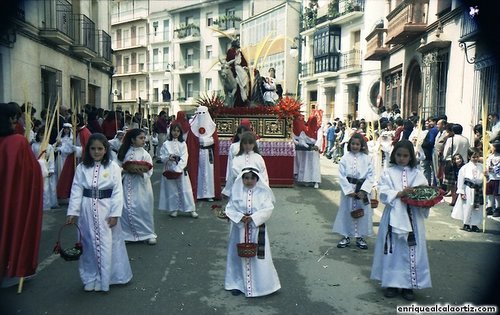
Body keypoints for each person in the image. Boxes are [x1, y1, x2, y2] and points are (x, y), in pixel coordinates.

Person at [66, 133, 132, 292]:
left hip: (106, 210)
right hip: (86, 210)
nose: (96, 152)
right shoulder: (81, 168)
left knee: (107, 243)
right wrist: (73, 211)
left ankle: (107, 277)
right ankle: (90, 276)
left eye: (100, 149)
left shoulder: (113, 167)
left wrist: (115, 213)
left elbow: (117, 191)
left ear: (106, 149)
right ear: (88, 149)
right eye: (93, 148)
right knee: (87, 244)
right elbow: (76, 190)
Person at [371, 140, 431, 301]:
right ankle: (391, 283)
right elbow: (383, 191)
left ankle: (408, 285)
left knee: (411, 250)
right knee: (393, 249)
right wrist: (399, 194)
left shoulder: (417, 174)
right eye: (398, 155)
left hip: (413, 219)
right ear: (393, 155)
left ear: (411, 156)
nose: (401, 158)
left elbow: (424, 192)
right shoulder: (388, 173)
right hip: (393, 218)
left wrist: (421, 196)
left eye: (405, 155)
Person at [0, 102, 43, 287]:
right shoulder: (17, 142)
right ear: (11, 119)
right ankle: (12, 268)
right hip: (10, 200)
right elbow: (30, 173)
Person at [224, 167, 281, 297]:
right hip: (239, 230)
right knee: (238, 257)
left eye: (252, 178)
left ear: (257, 179)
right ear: (242, 179)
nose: (249, 181)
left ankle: (262, 286)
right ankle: (237, 284)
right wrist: (240, 217)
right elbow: (230, 208)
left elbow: (268, 209)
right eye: (246, 178)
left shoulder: (263, 193)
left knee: (258, 258)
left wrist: (254, 218)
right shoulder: (237, 192)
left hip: (256, 229)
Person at [333, 133, 375, 249]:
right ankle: (345, 235)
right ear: (349, 144)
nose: (355, 146)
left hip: (362, 190)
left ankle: (360, 236)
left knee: (362, 213)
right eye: (353, 144)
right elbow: (341, 175)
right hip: (349, 189)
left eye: (357, 144)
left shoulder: (368, 158)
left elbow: (371, 176)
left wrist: (364, 190)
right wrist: (348, 190)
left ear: (362, 145)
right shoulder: (345, 158)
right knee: (346, 211)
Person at [117, 129, 157, 245]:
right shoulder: (124, 152)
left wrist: (139, 171)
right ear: (133, 140)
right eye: (141, 138)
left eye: (144, 138)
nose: (144, 140)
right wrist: (125, 170)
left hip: (141, 185)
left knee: (143, 208)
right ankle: (127, 234)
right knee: (126, 208)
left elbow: (150, 172)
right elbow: (117, 166)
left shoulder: (146, 154)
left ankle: (148, 233)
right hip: (127, 183)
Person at [158, 123, 197, 218]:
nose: (175, 133)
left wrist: (179, 168)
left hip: (180, 169)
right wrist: (168, 157)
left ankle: (191, 209)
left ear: (180, 132)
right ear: (170, 131)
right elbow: (162, 156)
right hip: (169, 170)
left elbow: (185, 157)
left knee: (185, 189)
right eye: (174, 130)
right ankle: (174, 209)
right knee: (172, 189)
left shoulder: (183, 144)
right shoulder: (166, 144)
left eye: (178, 131)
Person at [186, 105, 222, 201]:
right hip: (198, 153)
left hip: (208, 153)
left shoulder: (212, 127)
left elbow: (215, 142)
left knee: (209, 173)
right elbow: (191, 143)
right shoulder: (193, 127)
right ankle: (198, 193)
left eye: (203, 113)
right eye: (199, 113)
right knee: (198, 172)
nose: (201, 116)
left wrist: (209, 142)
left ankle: (209, 194)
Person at [57, 114, 92, 200]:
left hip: (80, 159)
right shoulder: (79, 132)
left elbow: (86, 148)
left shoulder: (84, 132)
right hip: (74, 157)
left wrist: (77, 149)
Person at [451, 148, 484, 232]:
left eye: (477, 156)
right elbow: (460, 180)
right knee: (468, 206)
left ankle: (474, 224)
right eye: (473, 157)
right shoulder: (465, 168)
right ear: (469, 157)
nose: (475, 159)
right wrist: (461, 191)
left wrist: (486, 174)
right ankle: (466, 223)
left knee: (477, 207)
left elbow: (484, 178)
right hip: (468, 189)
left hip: (478, 189)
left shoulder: (482, 166)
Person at [228, 131, 269, 197]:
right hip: (240, 190)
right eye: (245, 144)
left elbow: (264, 175)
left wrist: (265, 189)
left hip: (256, 190)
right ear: (241, 144)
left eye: (250, 143)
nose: (248, 146)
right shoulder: (237, 158)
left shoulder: (258, 158)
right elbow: (232, 175)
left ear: (254, 144)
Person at [31, 129, 58, 210]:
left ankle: (45, 205)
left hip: (45, 167)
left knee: (45, 188)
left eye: (44, 135)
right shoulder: (34, 146)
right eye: (41, 134)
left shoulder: (49, 147)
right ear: (38, 135)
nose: (42, 136)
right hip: (36, 167)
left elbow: (51, 158)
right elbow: (31, 157)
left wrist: (51, 169)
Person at [222, 124, 250, 198]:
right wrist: (229, 175)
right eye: (240, 133)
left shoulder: (250, 145)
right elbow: (230, 161)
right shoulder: (233, 146)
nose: (242, 135)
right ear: (238, 134)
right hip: (235, 171)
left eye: (244, 133)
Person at [225, 38, 250, 107]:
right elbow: (229, 59)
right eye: (238, 42)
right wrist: (236, 53)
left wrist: (245, 66)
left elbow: (244, 61)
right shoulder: (230, 51)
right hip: (234, 67)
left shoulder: (240, 52)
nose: (239, 44)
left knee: (246, 77)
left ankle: (245, 94)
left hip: (240, 67)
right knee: (240, 79)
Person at [485, 139, 500, 217]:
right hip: (490, 177)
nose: (491, 148)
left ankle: (498, 208)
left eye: (492, 147)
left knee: (497, 194)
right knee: (489, 193)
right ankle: (489, 207)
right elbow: (487, 164)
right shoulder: (490, 156)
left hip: (497, 178)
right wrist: (486, 171)